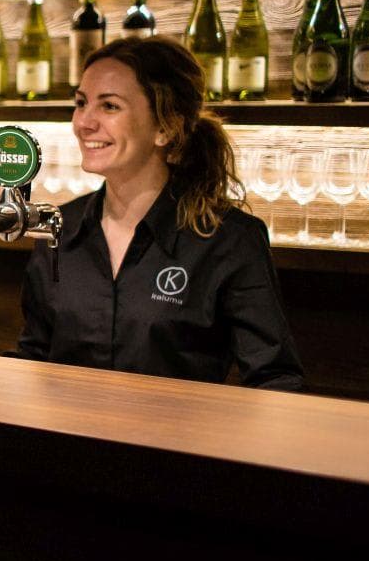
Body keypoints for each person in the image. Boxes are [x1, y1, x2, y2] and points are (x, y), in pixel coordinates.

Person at [15, 36, 304, 391]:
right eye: (81, 103)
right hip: (65, 443)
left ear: (165, 127)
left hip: (172, 445)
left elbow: (274, 379)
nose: (84, 123)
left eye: (109, 106)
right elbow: (35, 356)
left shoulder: (228, 239)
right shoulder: (59, 229)